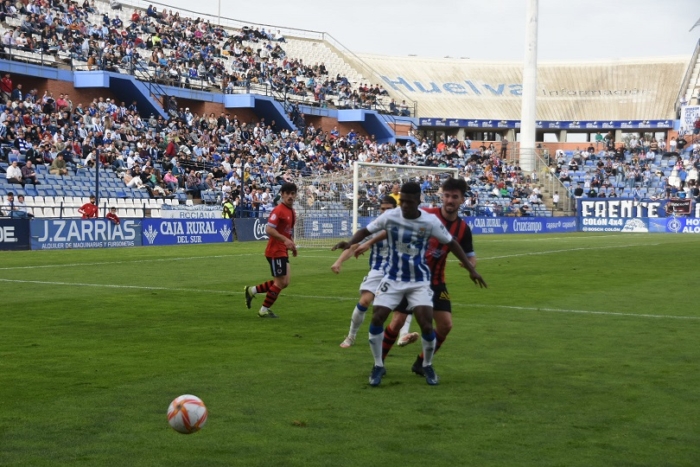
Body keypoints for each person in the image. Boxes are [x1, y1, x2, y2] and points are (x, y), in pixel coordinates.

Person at [334, 182, 486, 387]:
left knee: (432, 323)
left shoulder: (435, 222)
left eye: (454, 196)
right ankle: (378, 365)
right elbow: (374, 229)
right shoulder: (398, 215)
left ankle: (426, 364)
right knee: (383, 318)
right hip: (394, 278)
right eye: (402, 200)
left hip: (427, 280)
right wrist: (357, 243)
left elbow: (454, 244)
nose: (405, 205)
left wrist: (471, 268)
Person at [331, 196, 397, 348]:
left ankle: (403, 334)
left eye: (389, 209)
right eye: (382, 209)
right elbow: (354, 246)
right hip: (378, 270)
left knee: (399, 307)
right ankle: (351, 336)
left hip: (398, 271)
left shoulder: (403, 225)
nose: (385, 212)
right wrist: (339, 262)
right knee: (364, 301)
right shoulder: (374, 226)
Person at [243, 182, 298, 318]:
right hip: (275, 250)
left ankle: (252, 290)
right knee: (280, 282)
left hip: (282, 249)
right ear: (282, 194)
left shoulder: (292, 211)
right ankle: (263, 310)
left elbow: (287, 232)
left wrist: (292, 245)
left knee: (284, 282)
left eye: (293, 193)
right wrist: (285, 240)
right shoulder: (279, 210)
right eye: (288, 193)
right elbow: (269, 229)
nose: (290, 196)